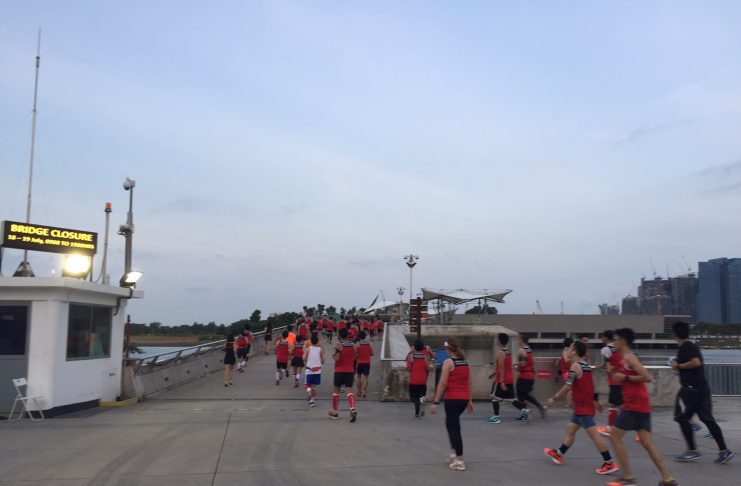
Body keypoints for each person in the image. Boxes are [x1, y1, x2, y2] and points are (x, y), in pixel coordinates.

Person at [607, 327, 679, 486]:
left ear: (623, 341)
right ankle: (667, 478)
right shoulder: (624, 358)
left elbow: (647, 377)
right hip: (641, 405)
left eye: (615, 340)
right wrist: (616, 373)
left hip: (633, 406)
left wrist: (625, 378)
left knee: (614, 437)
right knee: (647, 443)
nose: (613, 343)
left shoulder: (629, 357)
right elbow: (627, 376)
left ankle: (627, 476)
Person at [544, 341, 619, 476]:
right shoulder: (585, 365)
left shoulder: (575, 366)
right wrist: (596, 401)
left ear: (574, 351)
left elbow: (567, 386)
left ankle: (609, 463)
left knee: (594, 436)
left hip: (583, 408)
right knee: (571, 430)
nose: (568, 350)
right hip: (581, 407)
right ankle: (559, 454)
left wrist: (553, 399)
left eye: (570, 348)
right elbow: (591, 385)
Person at [671, 321, 734, 464]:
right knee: (707, 419)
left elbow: (696, 362)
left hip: (691, 390)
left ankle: (692, 451)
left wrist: (678, 365)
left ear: (675, 335)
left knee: (681, 417)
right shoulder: (690, 346)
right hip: (701, 388)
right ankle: (724, 451)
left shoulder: (686, 347)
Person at [430, 337, 473, 471]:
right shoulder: (465, 362)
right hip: (463, 399)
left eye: (445, 349)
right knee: (450, 424)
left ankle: (460, 461)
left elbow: (443, 384)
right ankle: (454, 454)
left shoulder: (448, 362)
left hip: (452, 399)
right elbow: (469, 382)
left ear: (448, 349)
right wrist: (470, 400)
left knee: (454, 429)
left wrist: (435, 401)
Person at [328, 328, 358, 422]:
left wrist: (334, 355)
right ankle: (352, 409)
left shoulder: (339, 345)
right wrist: (351, 360)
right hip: (350, 370)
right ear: (348, 335)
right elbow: (356, 355)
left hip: (339, 370)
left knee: (336, 391)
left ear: (340, 335)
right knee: (349, 390)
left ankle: (335, 412)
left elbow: (337, 358)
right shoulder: (353, 345)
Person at [513, 335, 545, 421]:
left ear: (522, 340)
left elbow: (522, 363)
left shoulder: (522, 350)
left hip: (524, 376)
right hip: (530, 376)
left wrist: (516, 365)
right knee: (525, 395)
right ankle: (537, 407)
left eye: (519, 339)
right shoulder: (529, 350)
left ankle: (526, 412)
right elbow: (532, 361)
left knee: (520, 394)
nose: (518, 341)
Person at [597, 330, 623, 437]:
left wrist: (600, 366)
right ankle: (611, 427)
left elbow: (606, 365)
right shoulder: (619, 348)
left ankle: (610, 428)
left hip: (614, 379)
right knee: (617, 403)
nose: (601, 339)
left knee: (617, 404)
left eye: (602, 337)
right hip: (623, 378)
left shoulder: (606, 349)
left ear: (606, 338)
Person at [488, 333, 515, 423]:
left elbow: (501, 367)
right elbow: (505, 366)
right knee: (512, 399)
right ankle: (525, 411)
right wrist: (494, 373)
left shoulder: (500, 352)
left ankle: (496, 417)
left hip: (501, 379)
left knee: (494, 397)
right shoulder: (508, 351)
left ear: (499, 341)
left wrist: (502, 381)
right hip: (509, 378)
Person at [407, 339, 431, 419]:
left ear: (414, 347)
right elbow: (428, 368)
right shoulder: (425, 357)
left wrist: (410, 352)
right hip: (423, 380)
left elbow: (409, 368)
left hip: (414, 380)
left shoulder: (411, 356)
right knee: (421, 396)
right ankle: (419, 413)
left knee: (413, 397)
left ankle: (418, 407)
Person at [303, 334, 325, 407]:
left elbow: (304, 358)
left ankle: (308, 391)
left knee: (307, 385)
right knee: (314, 386)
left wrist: (307, 358)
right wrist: (320, 363)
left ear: (311, 341)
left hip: (309, 369)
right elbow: (323, 360)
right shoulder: (320, 349)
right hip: (317, 370)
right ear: (317, 342)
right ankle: (312, 401)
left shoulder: (308, 349)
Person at [555, 337, 575, 410]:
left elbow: (562, 359)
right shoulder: (566, 351)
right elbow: (566, 360)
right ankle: (568, 405)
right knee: (570, 389)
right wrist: (572, 357)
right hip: (567, 372)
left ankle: (569, 404)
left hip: (567, 372)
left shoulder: (566, 351)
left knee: (569, 389)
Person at [355, 331, 374, 398]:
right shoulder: (369, 344)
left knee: (358, 376)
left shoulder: (358, 344)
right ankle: (364, 391)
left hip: (359, 362)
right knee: (366, 377)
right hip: (367, 362)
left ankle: (359, 392)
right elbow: (372, 353)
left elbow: (355, 353)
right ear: (365, 336)